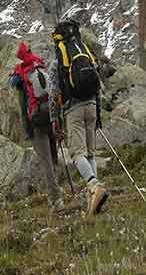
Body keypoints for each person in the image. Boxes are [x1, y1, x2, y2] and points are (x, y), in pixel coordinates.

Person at [49, 20, 109, 215]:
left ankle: (94, 186)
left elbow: (53, 93)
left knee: (76, 154)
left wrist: (55, 121)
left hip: (73, 108)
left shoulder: (58, 61)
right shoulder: (85, 52)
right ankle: (94, 201)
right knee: (90, 153)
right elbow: (98, 82)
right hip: (92, 105)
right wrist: (98, 112)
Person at [9, 42, 64, 214]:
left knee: (45, 160)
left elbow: (13, 84)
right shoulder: (40, 63)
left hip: (36, 120)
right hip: (51, 114)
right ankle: (58, 189)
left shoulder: (20, 71)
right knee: (53, 157)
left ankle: (55, 200)